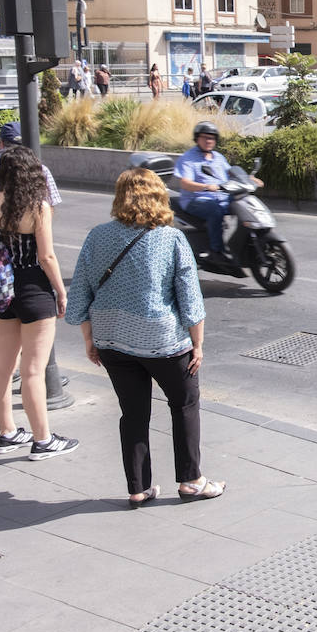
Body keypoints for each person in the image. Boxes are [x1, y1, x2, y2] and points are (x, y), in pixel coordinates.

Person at [66, 167, 222, 506]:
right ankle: (191, 481)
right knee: (184, 404)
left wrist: (89, 340)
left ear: (120, 196)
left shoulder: (97, 236)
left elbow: (81, 292)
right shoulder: (172, 238)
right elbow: (190, 299)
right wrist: (198, 344)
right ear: (159, 196)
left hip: (112, 341)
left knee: (132, 413)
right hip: (164, 342)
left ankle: (138, 488)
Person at [0, 145, 79, 460]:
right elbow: (46, 256)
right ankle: (42, 440)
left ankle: (8, 433)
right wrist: (61, 291)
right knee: (32, 370)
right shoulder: (39, 207)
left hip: (3, 290)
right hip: (33, 289)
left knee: (1, 366)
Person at [0, 121, 69, 394]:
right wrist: (61, 291)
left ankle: (6, 383)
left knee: (1, 351)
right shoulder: (39, 173)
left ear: (0, 143)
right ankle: (42, 425)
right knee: (35, 363)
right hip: (31, 272)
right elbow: (47, 247)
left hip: (0, 265)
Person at [173, 121, 263, 262]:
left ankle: (247, 244)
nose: (209, 140)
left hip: (220, 196)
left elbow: (231, 173)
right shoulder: (188, 159)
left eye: (212, 137)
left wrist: (249, 178)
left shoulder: (218, 158)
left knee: (245, 205)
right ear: (197, 138)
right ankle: (216, 251)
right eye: (205, 137)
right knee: (215, 211)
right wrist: (206, 187)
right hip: (195, 199)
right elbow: (185, 183)